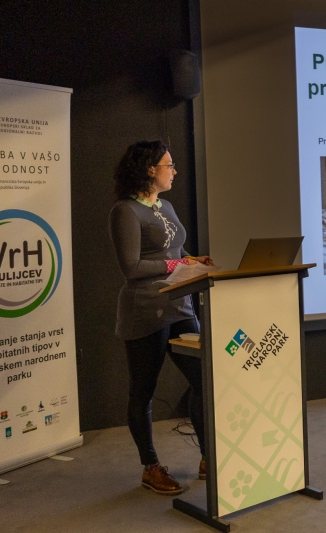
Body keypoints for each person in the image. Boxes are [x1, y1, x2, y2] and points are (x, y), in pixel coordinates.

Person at [109, 140, 214, 495]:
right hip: (145, 310)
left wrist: (193, 260)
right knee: (143, 392)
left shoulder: (165, 205)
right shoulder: (125, 211)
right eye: (169, 165)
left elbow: (175, 250)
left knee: (204, 379)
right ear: (150, 169)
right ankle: (150, 467)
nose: (175, 171)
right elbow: (132, 267)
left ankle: (208, 457)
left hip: (179, 306)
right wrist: (178, 264)